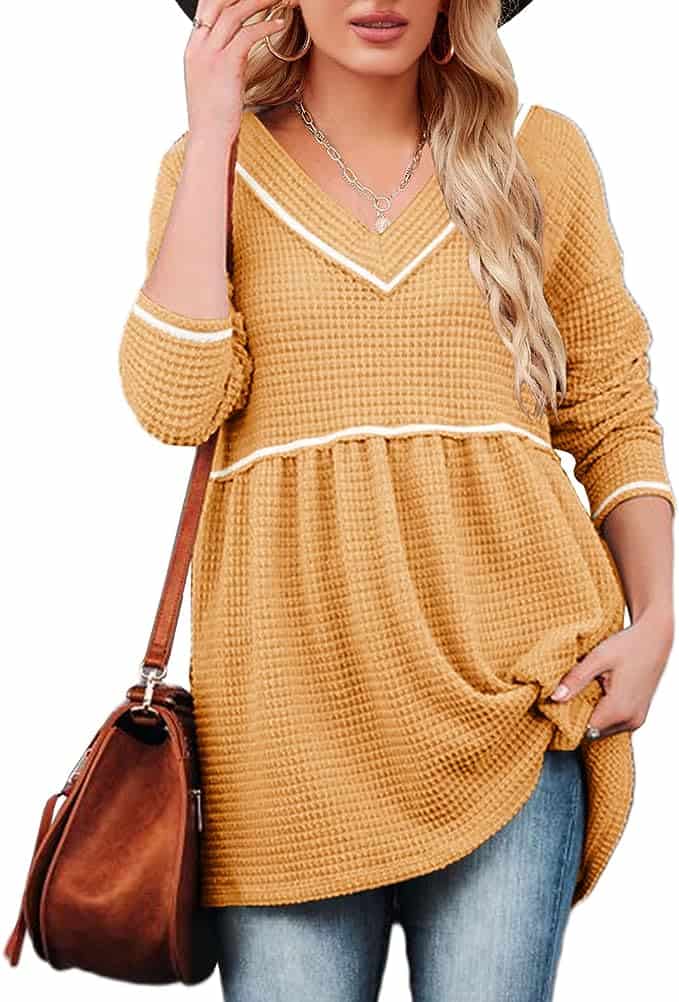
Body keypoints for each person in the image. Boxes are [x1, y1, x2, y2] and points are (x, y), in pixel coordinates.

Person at [117, 1, 675, 998]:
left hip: (514, 708)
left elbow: (610, 410)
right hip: (282, 743)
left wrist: (657, 622)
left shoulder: (539, 158)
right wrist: (211, 134)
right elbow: (174, 402)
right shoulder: (214, 165)